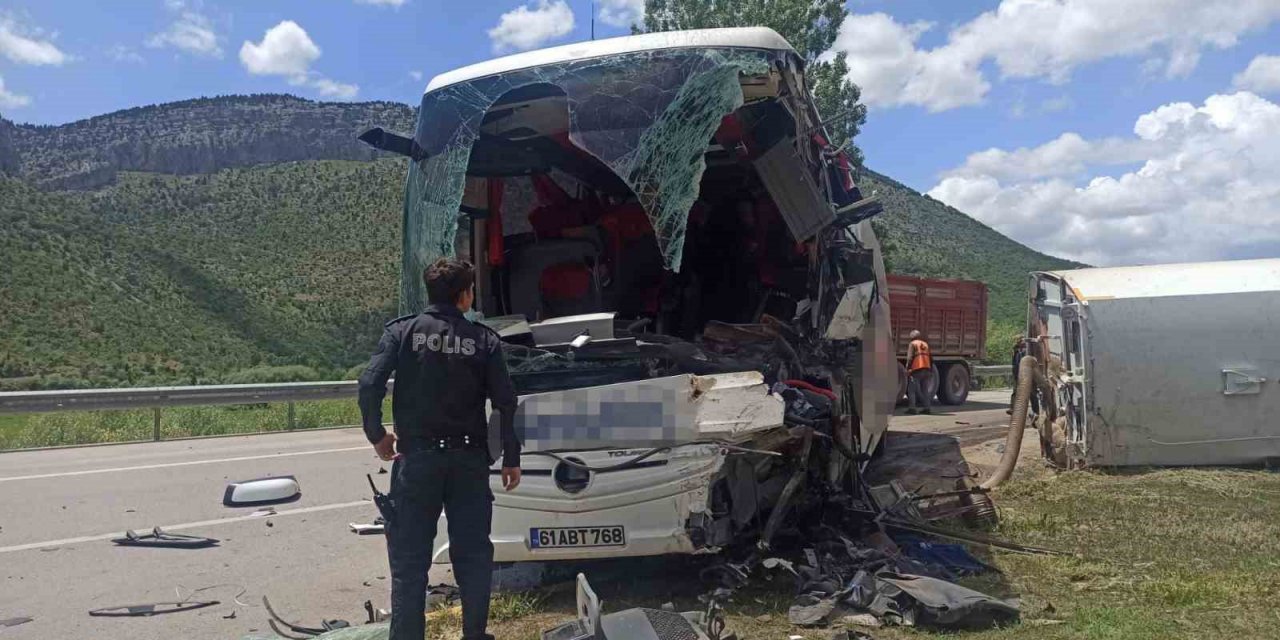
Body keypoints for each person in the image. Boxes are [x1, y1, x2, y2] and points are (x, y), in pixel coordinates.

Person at [358, 257, 522, 640]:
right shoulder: (484, 340)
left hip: (417, 461)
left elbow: (369, 385)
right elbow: (505, 402)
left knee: (410, 562)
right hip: (468, 463)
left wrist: (377, 435)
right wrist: (510, 458)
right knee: (473, 558)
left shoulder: (402, 333)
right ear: (465, 295)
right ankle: (474, 635)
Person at [905, 329, 933, 415]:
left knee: (911, 390)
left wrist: (908, 368)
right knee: (925, 390)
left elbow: (910, 358)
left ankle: (912, 408)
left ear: (912, 337)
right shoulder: (925, 344)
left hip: (917, 369)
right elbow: (931, 358)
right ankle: (927, 408)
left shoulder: (912, 344)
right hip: (927, 369)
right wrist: (930, 369)